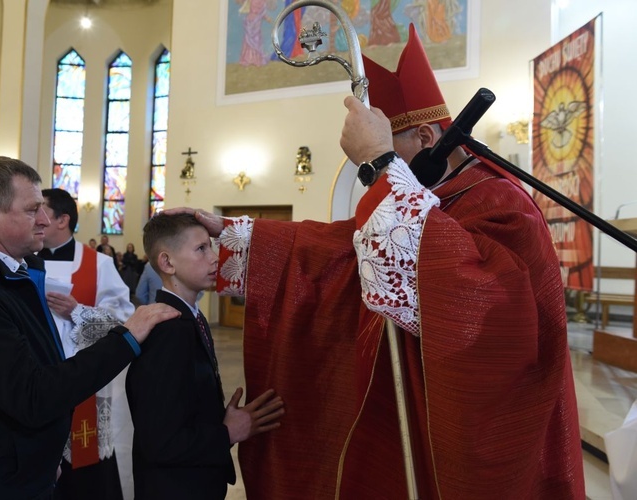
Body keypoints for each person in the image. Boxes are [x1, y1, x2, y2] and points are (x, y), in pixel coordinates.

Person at [171, 25, 584, 499]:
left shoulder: (498, 202)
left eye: (396, 151)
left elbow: (480, 309)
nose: (380, 179)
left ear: (428, 136)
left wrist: (378, 161)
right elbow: (343, 248)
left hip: (475, 429)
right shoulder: (435, 198)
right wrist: (241, 236)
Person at [0, 156, 180, 499]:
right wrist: (126, 338)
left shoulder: (12, 273)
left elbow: (37, 362)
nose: (43, 221)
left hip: (19, 469)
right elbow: (32, 395)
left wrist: (41, 455)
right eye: (31, 210)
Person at [126, 213, 285, 500]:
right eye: (201, 249)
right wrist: (227, 432)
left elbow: (182, 407)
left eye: (211, 246)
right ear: (167, 262)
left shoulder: (188, 319)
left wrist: (219, 419)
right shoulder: (168, 333)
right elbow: (159, 442)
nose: (215, 258)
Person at [39, 188, 134, 500]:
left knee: (85, 473)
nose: (36, 219)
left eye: (41, 212)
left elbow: (123, 318)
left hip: (84, 380)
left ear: (63, 220)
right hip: (35, 378)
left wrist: (76, 311)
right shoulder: (22, 262)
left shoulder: (99, 263)